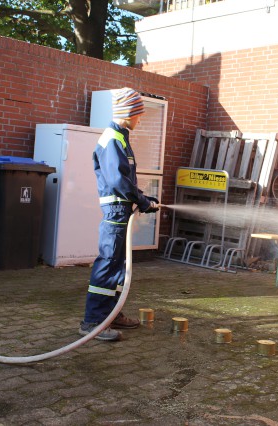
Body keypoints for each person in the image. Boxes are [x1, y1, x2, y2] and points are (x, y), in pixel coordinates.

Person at [79, 88, 160, 341]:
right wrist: (142, 201)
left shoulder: (120, 137)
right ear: (128, 112)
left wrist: (144, 198)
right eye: (138, 113)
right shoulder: (113, 138)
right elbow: (117, 181)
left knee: (118, 267)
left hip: (121, 211)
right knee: (108, 265)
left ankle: (112, 314)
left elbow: (125, 179)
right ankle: (92, 321)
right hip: (115, 212)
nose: (140, 118)